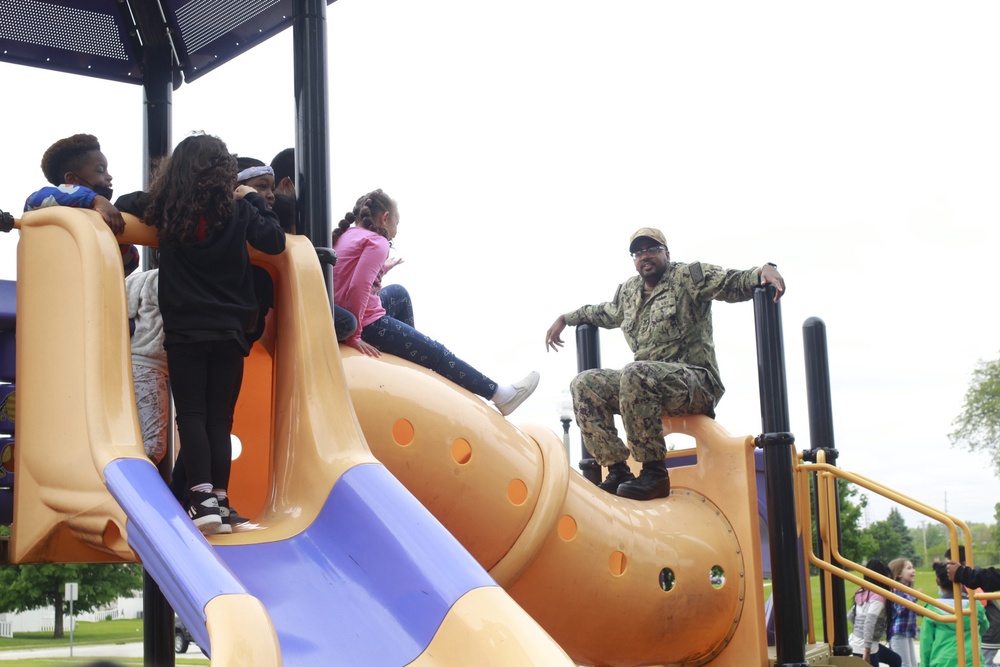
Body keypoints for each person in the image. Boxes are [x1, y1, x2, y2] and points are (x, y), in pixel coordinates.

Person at [544, 227, 785, 500]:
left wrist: (762, 271)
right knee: (585, 383)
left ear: (666, 253)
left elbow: (730, 281)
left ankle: (654, 473)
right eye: (638, 252)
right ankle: (617, 470)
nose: (644, 256)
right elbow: (604, 312)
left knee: (635, 373)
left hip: (694, 382)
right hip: (644, 384)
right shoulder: (629, 292)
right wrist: (566, 317)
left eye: (651, 250)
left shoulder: (687, 277)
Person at [144, 133, 285, 535]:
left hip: (186, 329)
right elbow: (273, 241)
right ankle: (220, 502)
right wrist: (252, 198)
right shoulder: (237, 212)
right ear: (226, 173)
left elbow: (124, 205)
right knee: (220, 418)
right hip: (229, 329)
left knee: (191, 414)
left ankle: (202, 497)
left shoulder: (166, 209)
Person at [332, 189, 537, 415]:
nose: (396, 231)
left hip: (348, 311)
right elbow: (357, 287)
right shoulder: (378, 242)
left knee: (399, 294)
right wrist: (355, 335)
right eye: (397, 222)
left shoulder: (346, 234)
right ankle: (500, 394)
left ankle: (410, 365)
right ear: (385, 218)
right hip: (366, 323)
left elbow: (345, 277)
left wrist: (384, 267)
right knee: (438, 353)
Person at [269, 148, 358, 342]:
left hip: (286, 292)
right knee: (347, 322)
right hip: (281, 296)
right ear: (286, 183)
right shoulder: (278, 213)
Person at [24, 134, 139, 276]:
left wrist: (119, 236)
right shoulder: (49, 205)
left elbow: (128, 264)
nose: (109, 177)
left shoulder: (100, 221)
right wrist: (95, 199)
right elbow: (33, 200)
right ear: (71, 179)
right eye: (100, 170)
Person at [125, 267, 168, 463]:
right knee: (153, 445)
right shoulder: (164, 279)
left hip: (132, 361)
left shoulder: (137, 280)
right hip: (150, 362)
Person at [923, 561, 989, 667]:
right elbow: (984, 626)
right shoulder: (974, 606)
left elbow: (926, 642)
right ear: (961, 582)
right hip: (972, 660)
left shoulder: (932, 609)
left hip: (942, 661)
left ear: (937, 582)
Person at [946, 545, 1000, 664]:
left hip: (990, 629)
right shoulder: (974, 574)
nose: (947, 570)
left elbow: (981, 602)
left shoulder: (972, 576)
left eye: (949, 566)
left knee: (983, 662)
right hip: (990, 627)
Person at [848, 559, 902, 667]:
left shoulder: (862, 592)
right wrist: (867, 651)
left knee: (895, 659)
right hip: (867, 648)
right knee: (896, 660)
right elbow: (869, 622)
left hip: (857, 643)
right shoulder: (879, 597)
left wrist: (859, 631)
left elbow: (850, 616)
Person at [887, 558, 919, 667]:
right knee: (904, 664)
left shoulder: (907, 590)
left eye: (913, 567)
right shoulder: (897, 590)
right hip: (899, 632)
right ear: (899, 573)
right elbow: (901, 608)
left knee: (913, 664)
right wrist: (914, 599)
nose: (913, 570)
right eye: (909, 568)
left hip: (907, 632)